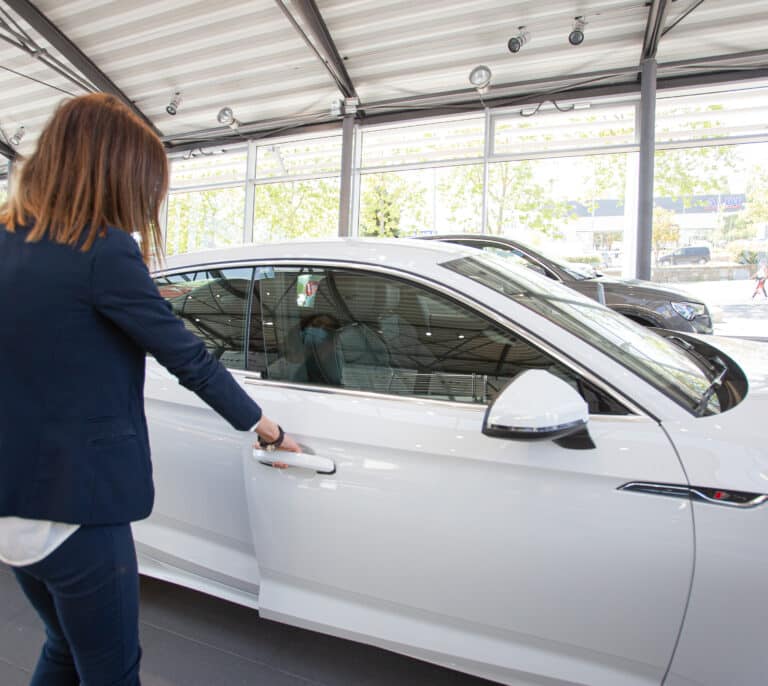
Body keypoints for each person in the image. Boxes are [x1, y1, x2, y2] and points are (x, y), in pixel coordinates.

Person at [0, 93, 300, 686]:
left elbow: (50, 331)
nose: (145, 206)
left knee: (63, 646)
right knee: (113, 673)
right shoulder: (104, 249)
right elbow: (189, 359)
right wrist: (267, 426)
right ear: (113, 172)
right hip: (76, 512)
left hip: (12, 505)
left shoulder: (10, 241)